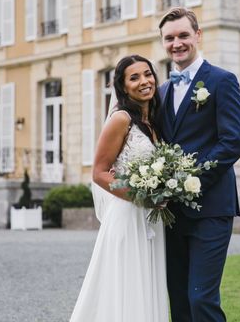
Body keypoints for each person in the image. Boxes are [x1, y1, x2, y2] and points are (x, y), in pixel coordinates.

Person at [158, 7, 240, 322]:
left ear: (198, 35)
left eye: (183, 35)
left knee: (201, 300)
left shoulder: (222, 81)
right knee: (179, 301)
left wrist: (189, 182)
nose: (176, 43)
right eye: (169, 38)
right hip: (171, 215)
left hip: (211, 207)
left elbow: (233, 141)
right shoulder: (162, 90)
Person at [70, 55, 169, 322]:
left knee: (147, 285)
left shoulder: (152, 122)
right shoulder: (121, 119)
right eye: (134, 77)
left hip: (150, 219)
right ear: (123, 87)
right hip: (127, 216)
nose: (144, 81)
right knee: (126, 287)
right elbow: (99, 172)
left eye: (147, 74)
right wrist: (141, 197)